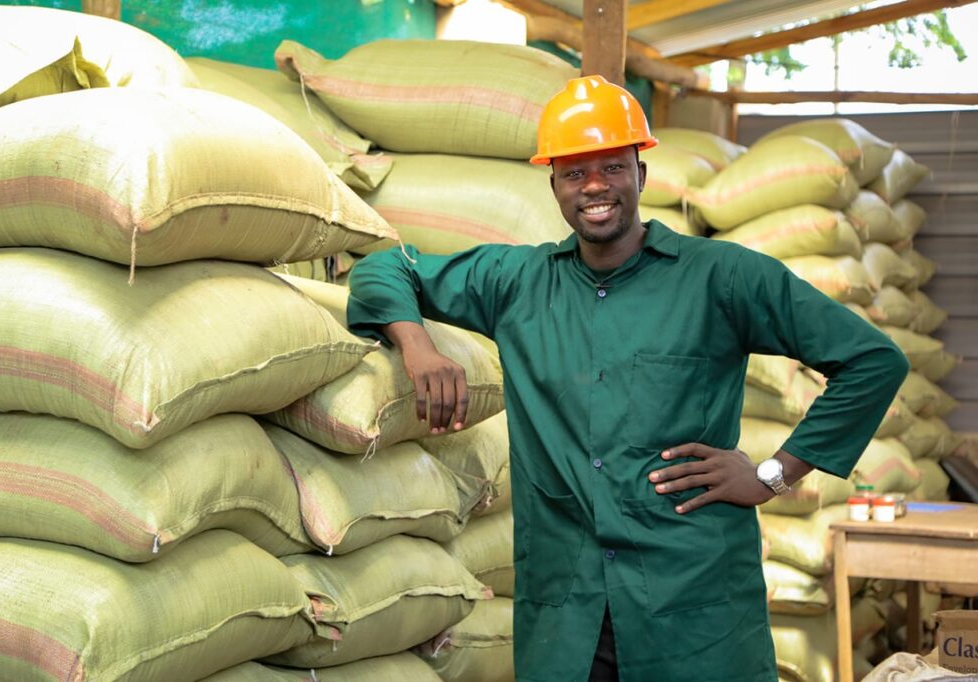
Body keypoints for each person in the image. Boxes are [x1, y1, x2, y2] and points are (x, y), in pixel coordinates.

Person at [346, 75, 909, 681]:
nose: (594, 187)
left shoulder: (722, 278)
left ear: (640, 174)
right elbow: (385, 269)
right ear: (554, 185)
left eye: (612, 168)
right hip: (569, 617)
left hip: (694, 613)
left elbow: (873, 361)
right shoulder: (517, 281)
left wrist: (773, 474)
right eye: (575, 173)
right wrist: (417, 344)